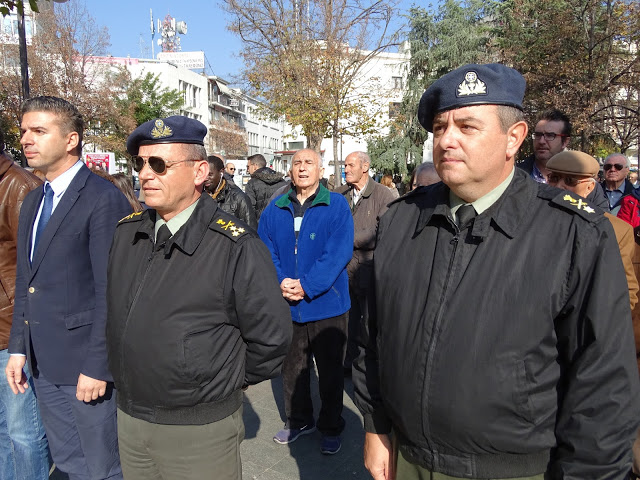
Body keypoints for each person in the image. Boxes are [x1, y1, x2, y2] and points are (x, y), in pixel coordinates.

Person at [353, 63, 640, 480]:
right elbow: (372, 334)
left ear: (514, 138)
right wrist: (375, 424)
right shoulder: (401, 220)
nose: (447, 139)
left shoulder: (573, 233)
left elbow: (603, 386)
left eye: (467, 126)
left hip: (516, 469)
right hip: (407, 458)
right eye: (439, 127)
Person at [106, 115, 292, 480]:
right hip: (130, 418)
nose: (145, 174)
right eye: (139, 163)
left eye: (159, 164)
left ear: (199, 171)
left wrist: (216, 378)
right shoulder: (127, 234)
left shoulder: (234, 245)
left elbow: (271, 338)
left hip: (198, 430)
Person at [5, 96, 130, 480]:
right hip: (43, 362)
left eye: (39, 131)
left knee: (103, 467)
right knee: (71, 462)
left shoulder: (101, 198)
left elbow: (113, 290)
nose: (27, 139)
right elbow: (27, 281)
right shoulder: (33, 201)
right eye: (24, 131)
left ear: (71, 139)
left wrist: (98, 365)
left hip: (84, 366)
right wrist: (17, 349)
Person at [258, 148, 353, 455]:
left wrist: (308, 285)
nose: (301, 168)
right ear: (289, 170)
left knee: (330, 371)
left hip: (327, 304)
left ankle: (330, 425)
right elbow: (265, 247)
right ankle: (299, 421)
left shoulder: (336, 204)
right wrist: (281, 280)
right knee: (292, 369)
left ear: (320, 169)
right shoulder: (276, 208)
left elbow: (338, 253)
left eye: (308, 163)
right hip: (288, 303)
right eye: (296, 163)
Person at [0, 130, 49, 479]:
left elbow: (36, 270)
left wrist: (22, 336)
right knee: (5, 432)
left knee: (23, 431)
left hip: (11, 333)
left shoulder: (20, 187)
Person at [546, 150, 638, 310]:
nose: (560, 186)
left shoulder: (616, 229)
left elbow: (623, 295)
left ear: (589, 187)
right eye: (554, 178)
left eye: (569, 180)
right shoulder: (533, 217)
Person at [335, 151, 394, 374]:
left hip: (368, 271)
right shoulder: (339, 194)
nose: (346, 169)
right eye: (345, 165)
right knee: (345, 320)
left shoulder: (383, 195)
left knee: (368, 323)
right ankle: (346, 364)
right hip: (342, 270)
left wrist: (346, 239)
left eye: (350, 165)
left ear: (365, 167)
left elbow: (382, 230)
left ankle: (367, 368)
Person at [517, 109, 571, 183]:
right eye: (538, 135)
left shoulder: (578, 178)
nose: (541, 141)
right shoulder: (516, 176)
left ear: (565, 141)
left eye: (550, 135)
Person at [205, 155, 257, 228]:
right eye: (204, 174)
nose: (206, 178)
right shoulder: (198, 195)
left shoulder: (239, 198)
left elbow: (251, 230)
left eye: (210, 175)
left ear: (221, 172)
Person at [244, 153, 287, 219]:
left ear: (255, 166)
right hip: (280, 221)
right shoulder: (281, 181)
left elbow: (249, 209)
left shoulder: (252, 183)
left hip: (260, 224)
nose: (247, 170)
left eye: (248, 167)